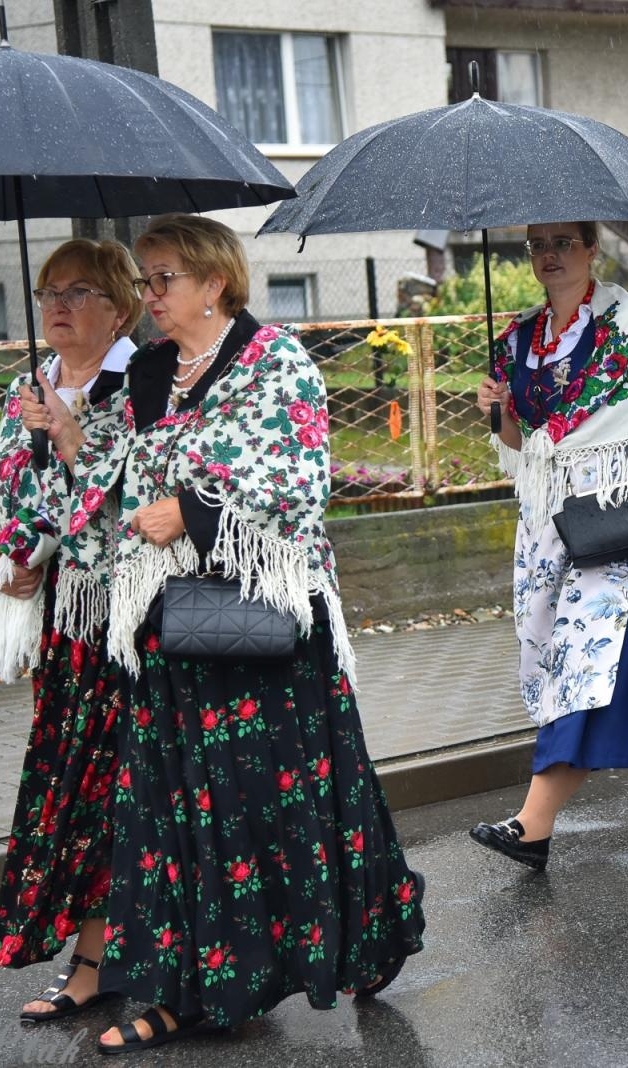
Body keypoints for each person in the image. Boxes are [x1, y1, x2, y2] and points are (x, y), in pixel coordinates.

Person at [46, 215, 424, 1052]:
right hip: (166, 627)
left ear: (214, 282)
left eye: (162, 280)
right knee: (175, 810)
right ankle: (199, 989)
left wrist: (193, 511)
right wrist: (68, 436)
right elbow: (110, 481)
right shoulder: (146, 372)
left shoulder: (273, 361)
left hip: (260, 624)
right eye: (142, 280)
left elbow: (297, 479)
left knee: (288, 806)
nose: (146, 297)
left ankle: (365, 932)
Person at [469, 220, 628, 870]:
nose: (549, 256)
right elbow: (525, 445)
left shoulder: (627, 325)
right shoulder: (519, 339)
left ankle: (534, 825)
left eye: (562, 243)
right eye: (538, 245)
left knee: (587, 671)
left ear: (591, 248)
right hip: (556, 528)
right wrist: (497, 410)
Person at [0, 239, 140, 1020]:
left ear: (121, 306)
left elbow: (125, 506)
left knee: (125, 796)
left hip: (131, 623)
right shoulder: (28, 389)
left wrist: (72, 435)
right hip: (64, 634)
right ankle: (94, 959)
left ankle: (119, 960)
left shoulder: (145, 382)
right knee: (76, 797)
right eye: (48, 292)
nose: (58, 307)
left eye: (80, 291)